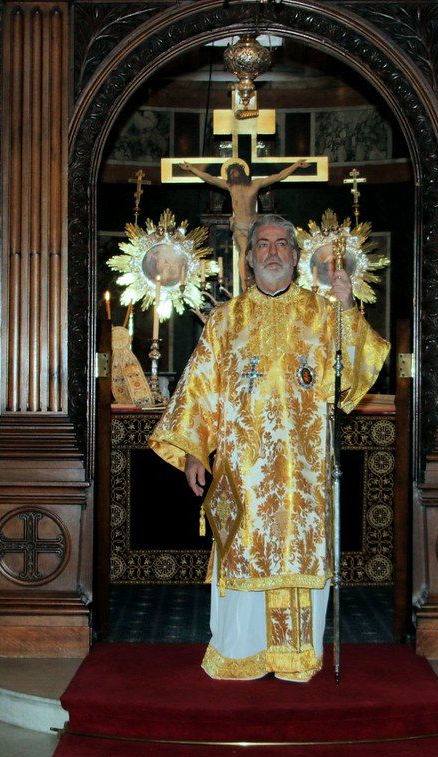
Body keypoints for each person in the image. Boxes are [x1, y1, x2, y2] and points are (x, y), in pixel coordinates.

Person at [149, 213, 388, 682]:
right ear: (249, 258)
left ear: (296, 258)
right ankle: (241, 652)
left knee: (299, 553)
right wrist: (196, 449)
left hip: (304, 475)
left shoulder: (323, 313)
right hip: (243, 470)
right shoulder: (224, 320)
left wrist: (348, 311)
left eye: (283, 244)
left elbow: (352, 380)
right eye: (263, 245)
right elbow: (201, 390)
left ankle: (295, 657)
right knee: (242, 550)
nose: (273, 252)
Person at [179, 158, 309, 288]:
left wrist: (296, 165)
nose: (233, 175)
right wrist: (191, 168)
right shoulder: (230, 187)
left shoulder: (255, 184)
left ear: (242, 172)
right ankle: (244, 281)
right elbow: (209, 178)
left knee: (257, 253)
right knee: (244, 251)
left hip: (254, 227)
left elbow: (278, 177)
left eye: (236, 172)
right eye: (231, 173)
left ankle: (258, 278)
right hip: (240, 226)